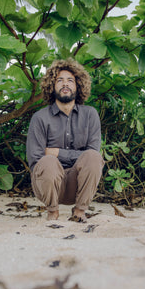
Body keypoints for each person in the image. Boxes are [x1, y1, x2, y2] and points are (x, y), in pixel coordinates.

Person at [26, 58, 104, 222]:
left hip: (78, 184)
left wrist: (57, 152)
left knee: (93, 157)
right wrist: (54, 157)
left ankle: (80, 212)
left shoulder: (90, 115)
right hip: (49, 185)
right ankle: (52, 213)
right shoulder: (39, 118)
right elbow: (35, 160)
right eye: (59, 80)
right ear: (52, 86)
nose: (65, 84)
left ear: (78, 85)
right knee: (47, 161)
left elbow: (92, 155)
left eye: (70, 80)